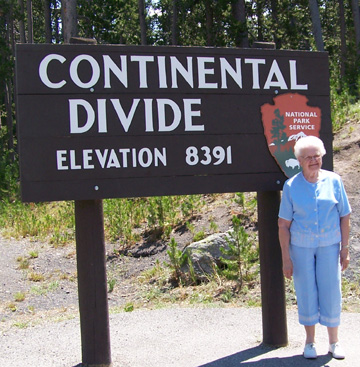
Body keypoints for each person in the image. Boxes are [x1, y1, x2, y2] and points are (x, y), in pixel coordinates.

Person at [278, 135, 351, 360]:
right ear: (299, 160)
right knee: (306, 291)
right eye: (308, 157)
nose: (313, 160)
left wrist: (345, 249)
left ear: (322, 157)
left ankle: (334, 342)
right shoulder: (291, 186)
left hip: (330, 245)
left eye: (317, 156)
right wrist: (286, 259)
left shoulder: (334, 181)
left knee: (331, 291)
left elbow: (345, 216)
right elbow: (283, 225)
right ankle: (309, 343)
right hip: (301, 248)